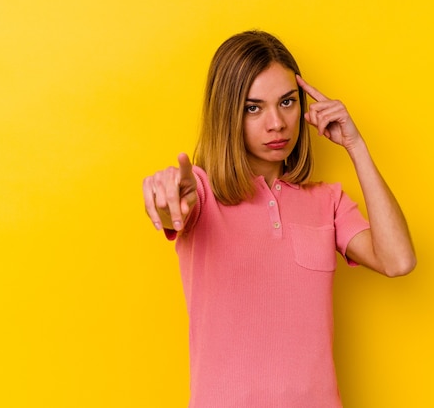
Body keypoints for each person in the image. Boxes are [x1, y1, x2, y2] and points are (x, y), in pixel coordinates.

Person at [142, 30, 416, 408]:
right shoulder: (203, 195)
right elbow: (171, 207)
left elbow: (398, 260)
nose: (277, 123)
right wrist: (164, 192)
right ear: (227, 114)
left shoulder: (328, 201)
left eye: (287, 102)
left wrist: (356, 146)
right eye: (253, 107)